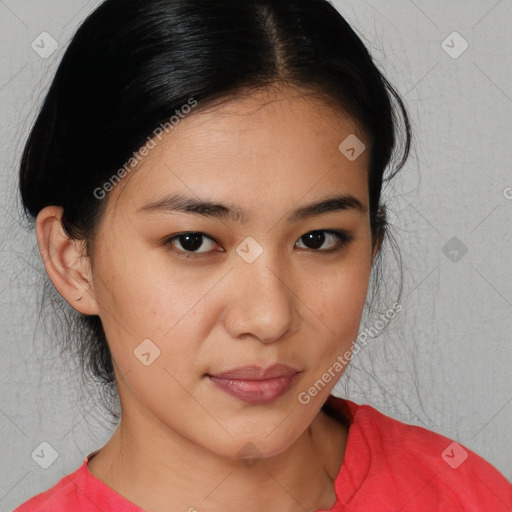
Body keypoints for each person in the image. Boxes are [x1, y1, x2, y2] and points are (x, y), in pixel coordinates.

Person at [13, 0, 512, 511]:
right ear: (74, 261)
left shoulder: (466, 494)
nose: (269, 318)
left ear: (372, 242)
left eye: (317, 239)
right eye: (193, 241)